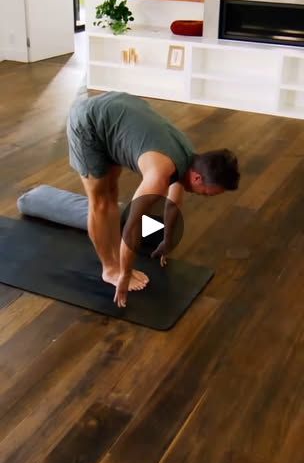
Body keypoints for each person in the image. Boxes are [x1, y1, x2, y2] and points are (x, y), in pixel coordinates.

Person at [67, 91, 240, 308]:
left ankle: (116, 263)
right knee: (100, 202)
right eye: (206, 192)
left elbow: (173, 203)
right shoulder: (159, 174)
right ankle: (109, 269)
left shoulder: (191, 161)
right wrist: (125, 274)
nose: (204, 196)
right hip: (89, 123)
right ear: (197, 178)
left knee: (111, 192)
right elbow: (132, 226)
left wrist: (166, 241)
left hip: (116, 114)